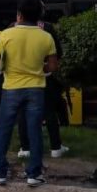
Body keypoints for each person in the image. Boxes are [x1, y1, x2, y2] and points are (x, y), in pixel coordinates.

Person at [0, 0, 58, 187]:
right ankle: (33, 173)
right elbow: (53, 66)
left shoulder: (6, 34)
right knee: (34, 130)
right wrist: (39, 66)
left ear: (19, 15)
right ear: (39, 16)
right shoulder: (46, 37)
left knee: (4, 129)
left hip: (11, 88)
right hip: (36, 88)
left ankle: (1, 172)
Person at [17, 18, 69, 159]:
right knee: (49, 111)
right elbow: (57, 53)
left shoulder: (13, 28)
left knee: (23, 112)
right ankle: (55, 147)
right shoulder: (46, 28)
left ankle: (26, 148)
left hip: (20, 78)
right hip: (43, 76)